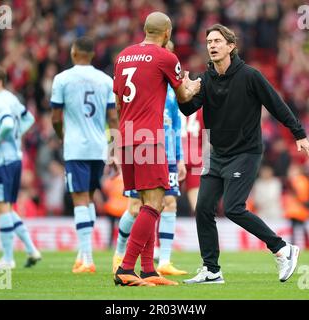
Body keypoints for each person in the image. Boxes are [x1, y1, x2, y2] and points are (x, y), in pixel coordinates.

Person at [179, 24, 309, 284]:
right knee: (203, 208)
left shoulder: (250, 76)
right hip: (217, 153)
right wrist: (183, 92)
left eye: (218, 41)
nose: (212, 45)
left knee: (233, 208)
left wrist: (299, 133)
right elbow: (187, 110)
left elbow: (276, 104)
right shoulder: (205, 79)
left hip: (246, 152)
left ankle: (283, 249)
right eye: (209, 42)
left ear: (231, 46)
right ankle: (211, 270)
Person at [112, 11, 201, 286]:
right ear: (168, 33)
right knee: (155, 203)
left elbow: (117, 103)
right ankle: (127, 267)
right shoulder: (165, 57)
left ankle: (149, 269)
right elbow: (184, 97)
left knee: (144, 202)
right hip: (149, 138)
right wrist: (194, 86)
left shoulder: (123, 56)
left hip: (126, 136)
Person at [51, 36, 119, 273]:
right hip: (99, 147)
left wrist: (61, 134)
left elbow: (56, 117)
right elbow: (113, 118)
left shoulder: (62, 79)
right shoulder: (105, 80)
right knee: (88, 197)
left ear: (73, 52)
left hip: (76, 148)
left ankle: (88, 259)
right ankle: (83, 255)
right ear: (91, 54)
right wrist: (114, 149)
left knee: (79, 199)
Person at [0, 64, 42, 269]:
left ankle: (8, 259)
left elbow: (7, 124)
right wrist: (17, 136)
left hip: (2, 160)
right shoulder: (12, 97)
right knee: (6, 207)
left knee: (2, 208)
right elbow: (29, 119)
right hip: (15, 158)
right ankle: (31, 249)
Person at [180, 108, 204, 215]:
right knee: (198, 206)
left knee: (167, 204)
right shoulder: (201, 109)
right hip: (196, 158)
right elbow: (207, 137)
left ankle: (159, 232)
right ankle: (204, 231)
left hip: (175, 158)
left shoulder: (170, 103)